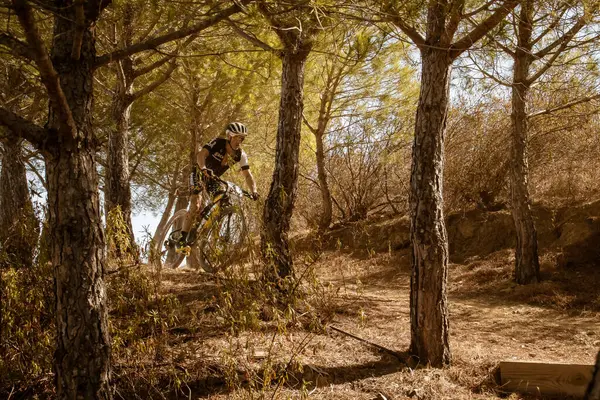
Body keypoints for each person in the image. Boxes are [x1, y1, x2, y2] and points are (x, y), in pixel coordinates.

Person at [179, 122, 259, 246]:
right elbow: (201, 155)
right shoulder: (217, 143)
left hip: (213, 179)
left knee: (222, 201)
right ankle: (182, 239)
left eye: (241, 138)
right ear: (229, 136)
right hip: (199, 173)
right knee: (195, 203)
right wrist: (204, 168)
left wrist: (254, 190)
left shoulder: (241, 155)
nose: (239, 141)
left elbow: (247, 175)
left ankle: (209, 236)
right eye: (237, 137)